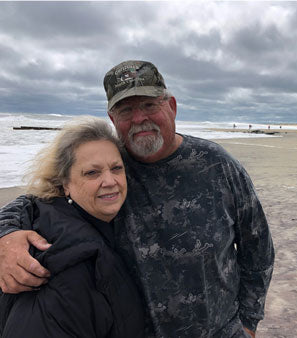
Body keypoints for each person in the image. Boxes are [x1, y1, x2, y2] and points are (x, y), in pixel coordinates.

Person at [0, 60, 274, 337]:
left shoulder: (217, 165)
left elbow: (258, 247)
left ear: (172, 106)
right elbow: (38, 201)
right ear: (112, 119)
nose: (139, 117)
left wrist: (248, 324)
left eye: (149, 105)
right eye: (126, 109)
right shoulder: (109, 169)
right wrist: (6, 235)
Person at [0, 117, 147, 337]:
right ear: (65, 184)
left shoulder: (92, 219)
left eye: (116, 168)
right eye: (92, 172)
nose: (109, 181)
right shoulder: (65, 260)